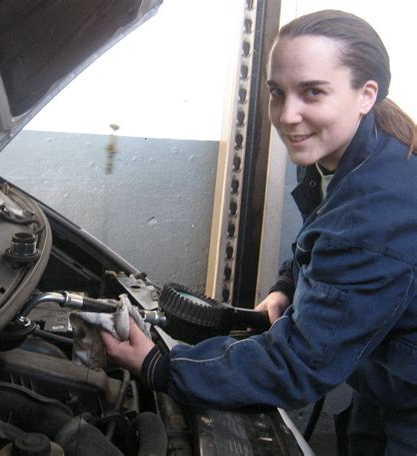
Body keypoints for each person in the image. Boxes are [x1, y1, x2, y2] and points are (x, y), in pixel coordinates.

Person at [101, 10, 417, 455]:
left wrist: (160, 366)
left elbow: (298, 364)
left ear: (366, 94)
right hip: (388, 379)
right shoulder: (360, 152)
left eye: (313, 92)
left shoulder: (375, 211)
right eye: (277, 92)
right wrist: (287, 286)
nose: (288, 115)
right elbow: (323, 236)